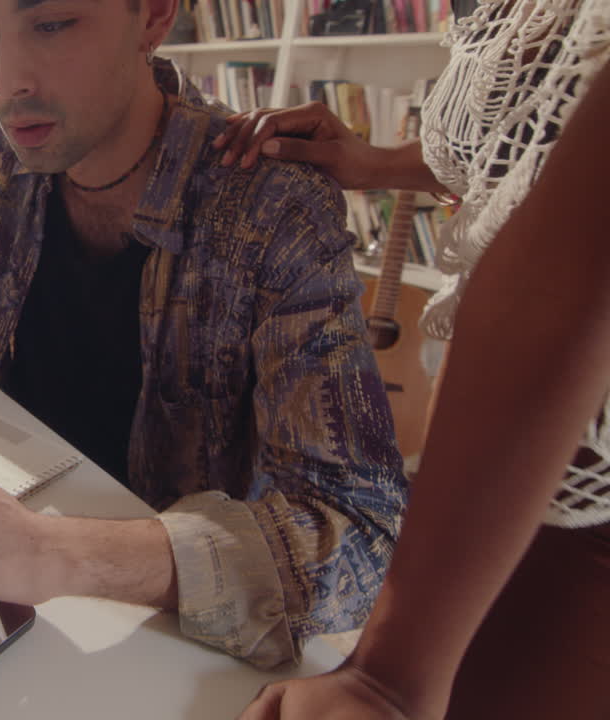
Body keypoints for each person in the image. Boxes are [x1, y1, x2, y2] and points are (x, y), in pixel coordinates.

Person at [0, 0, 407, 669]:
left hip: (172, 631)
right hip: (6, 577)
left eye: (52, 24)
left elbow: (360, 534)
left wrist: (54, 552)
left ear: (152, 18)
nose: (7, 81)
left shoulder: (272, 206)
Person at [218, 0, 610, 716]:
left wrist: (389, 678)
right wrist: (375, 164)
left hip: (578, 477)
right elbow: (527, 148)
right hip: (500, 453)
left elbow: (582, 244)